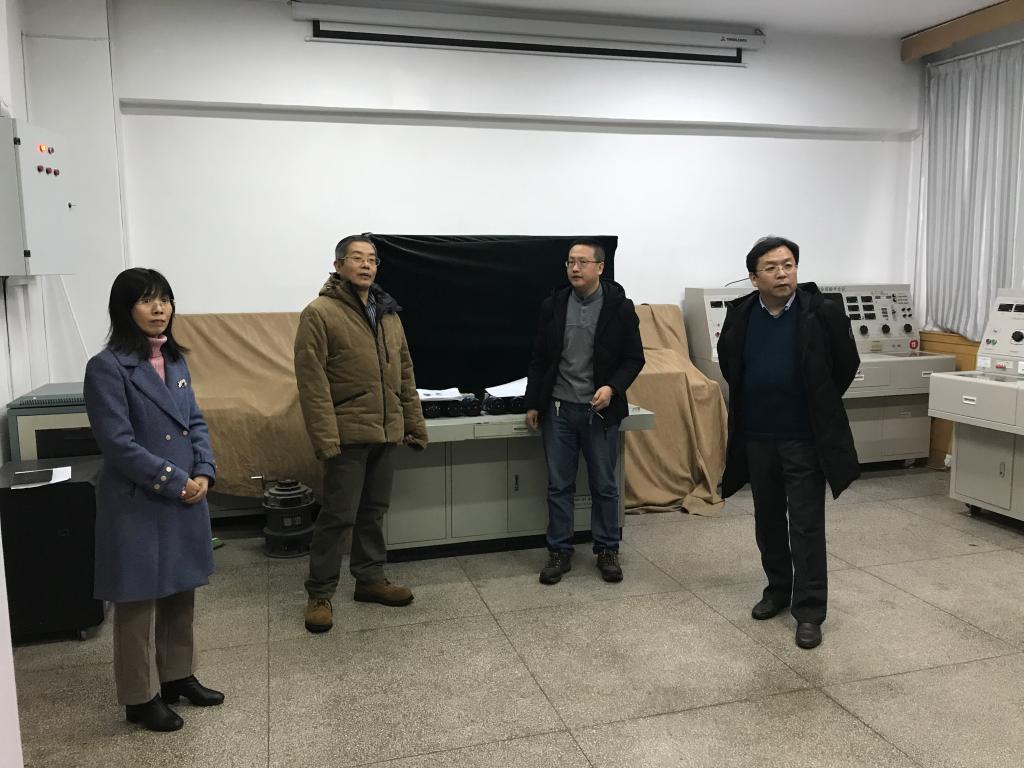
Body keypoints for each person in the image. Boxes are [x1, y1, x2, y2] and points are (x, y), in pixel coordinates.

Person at [83, 268, 223, 732]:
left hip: (183, 494)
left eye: (164, 298)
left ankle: (177, 675)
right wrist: (174, 480)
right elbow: (118, 444)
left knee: (181, 590)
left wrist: (203, 470)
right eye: (146, 300)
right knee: (138, 601)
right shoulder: (107, 367)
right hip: (138, 499)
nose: (159, 308)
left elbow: (194, 421)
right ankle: (140, 697)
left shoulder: (175, 360)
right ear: (125, 309)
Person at [716, 235, 860, 650]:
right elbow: (730, 364)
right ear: (754, 277)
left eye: (788, 265)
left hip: (803, 438)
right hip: (757, 437)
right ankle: (778, 589)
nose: (782, 274)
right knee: (768, 520)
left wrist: (816, 401)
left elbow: (845, 364)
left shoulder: (822, 311)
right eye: (772, 268)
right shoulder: (741, 313)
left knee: (806, 525)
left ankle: (810, 611)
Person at [295, 235, 427, 634]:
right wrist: (325, 438)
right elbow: (312, 382)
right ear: (338, 266)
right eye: (357, 258)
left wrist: (413, 423)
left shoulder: (388, 313)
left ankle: (369, 580)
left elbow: (405, 372)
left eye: (372, 259)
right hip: (347, 433)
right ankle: (320, 593)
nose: (366, 265)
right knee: (338, 516)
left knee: (373, 511)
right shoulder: (319, 313)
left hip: (386, 431)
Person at [525, 238, 645, 585]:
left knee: (604, 485)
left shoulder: (619, 307)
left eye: (582, 262)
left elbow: (634, 358)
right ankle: (559, 551)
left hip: (599, 412)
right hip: (558, 410)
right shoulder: (554, 304)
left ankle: (607, 549)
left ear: (600, 267)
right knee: (558, 485)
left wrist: (612, 388)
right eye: (570, 262)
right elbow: (539, 358)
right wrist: (533, 402)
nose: (574, 268)